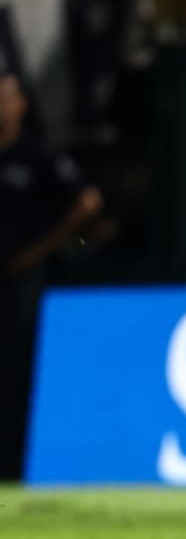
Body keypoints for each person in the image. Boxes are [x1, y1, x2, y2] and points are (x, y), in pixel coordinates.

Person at [0, 70, 103, 479]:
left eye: (6, 97)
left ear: (22, 104)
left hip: (23, 282)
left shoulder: (37, 156)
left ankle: (20, 464)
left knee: (21, 373)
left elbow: (88, 202)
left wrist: (43, 248)